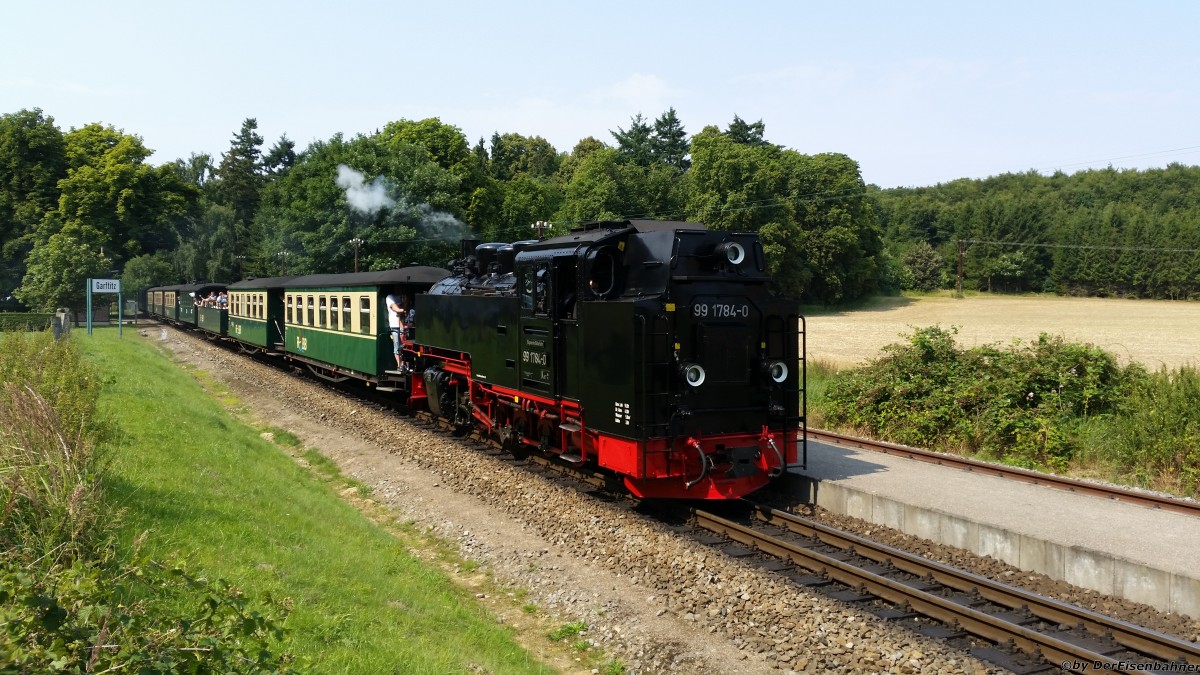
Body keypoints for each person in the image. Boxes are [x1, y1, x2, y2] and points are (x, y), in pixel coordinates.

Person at [385, 293, 405, 370]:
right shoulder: (390, 297)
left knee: (404, 345)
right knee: (397, 345)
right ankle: (399, 365)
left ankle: (404, 364)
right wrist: (400, 310)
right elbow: (393, 307)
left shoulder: (402, 297)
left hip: (403, 324)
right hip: (394, 325)